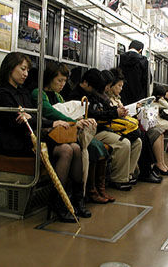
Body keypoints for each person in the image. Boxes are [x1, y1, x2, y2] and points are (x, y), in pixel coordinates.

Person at [0, 52, 90, 223]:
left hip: (32, 137)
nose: (26, 74)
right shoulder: (3, 94)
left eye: (27, 70)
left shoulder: (22, 93)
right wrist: (49, 124)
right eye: (22, 69)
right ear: (10, 68)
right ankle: (58, 202)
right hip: (16, 141)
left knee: (75, 147)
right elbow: (18, 122)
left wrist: (46, 122)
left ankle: (76, 199)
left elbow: (34, 117)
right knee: (66, 150)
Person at [31, 62, 114, 204]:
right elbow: (50, 112)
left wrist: (82, 120)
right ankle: (66, 198)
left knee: (79, 148)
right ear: (50, 78)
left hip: (63, 135)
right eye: (59, 80)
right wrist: (74, 122)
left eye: (64, 81)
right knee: (77, 149)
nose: (63, 84)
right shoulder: (38, 93)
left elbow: (68, 113)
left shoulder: (58, 96)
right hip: (48, 135)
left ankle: (78, 197)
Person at [68, 68, 142, 191]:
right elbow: (93, 114)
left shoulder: (92, 93)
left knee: (137, 142)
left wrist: (116, 112)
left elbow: (104, 110)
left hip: (102, 127)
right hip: (93, 130)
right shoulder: (76, 96)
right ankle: (118, 179)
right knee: (124, 143)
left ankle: (127, 175)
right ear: (86, 83)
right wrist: (114, 113)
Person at [108, 68, 162, 183]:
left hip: (122, 125)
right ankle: (146, 170)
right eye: (118, 86)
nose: (121, 89)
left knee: (143, 135)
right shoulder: (107, 99)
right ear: (111, 85)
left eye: (122, 86)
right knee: (141, 136)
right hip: (116, 128)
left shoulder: (117, 98)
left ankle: (142, 170)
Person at [119, 40, 150, 105]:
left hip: (123, 93)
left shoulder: (120, 58)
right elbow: (147, 79)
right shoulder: (143, 60)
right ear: (140, 50)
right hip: (138, 95)